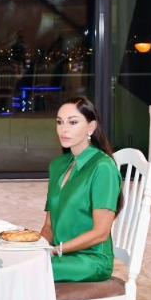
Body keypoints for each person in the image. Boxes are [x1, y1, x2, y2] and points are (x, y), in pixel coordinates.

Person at [40, 97, 122, 282]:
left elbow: (101, 233)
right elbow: (49, 226)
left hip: (91, 260)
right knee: (16, 263)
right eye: (60, 122)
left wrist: (57, 250)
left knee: (28, 272)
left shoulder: (103, 167)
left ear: (91, 127)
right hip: (60, 254)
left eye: (73, 122)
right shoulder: (58, 165)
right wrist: (37, 249)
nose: (64, 129)